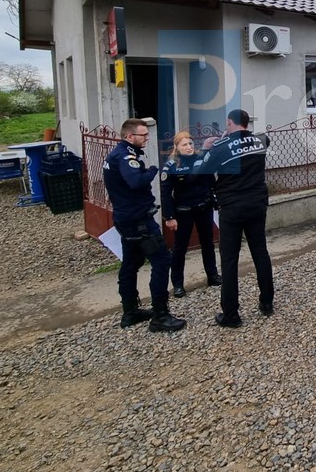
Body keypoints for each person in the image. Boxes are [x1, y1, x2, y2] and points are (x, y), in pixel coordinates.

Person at [102, 118, 187, 333]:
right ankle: (160, 316)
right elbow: (135, 181)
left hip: (125, 218)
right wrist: (151, 171)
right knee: (162, 261)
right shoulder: (126, 156)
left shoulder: (116, 154)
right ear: (130, 136)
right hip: (138, 220)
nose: (147, 138)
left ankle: (130, 311)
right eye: (143, 135)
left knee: (131, 263)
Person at [199, 109, 272, 328]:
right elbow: (261, 139)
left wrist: (206, 148)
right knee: (260, 253)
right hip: (257, 204)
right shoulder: (260, 140)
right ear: (247, 123)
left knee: (229, 260)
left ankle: (231, 314)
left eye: (227, 124)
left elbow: (203, 170)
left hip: (232, 208)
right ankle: (267, 303)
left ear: (229, 122)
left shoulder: (220, 147)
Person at [160, 130, 220, 297]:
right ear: (177, 147)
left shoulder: (201, 159)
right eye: (184, 144)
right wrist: (169, 217)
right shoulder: (172, 165)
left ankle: (213, 276)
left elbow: (211, 182)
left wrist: (215, 199)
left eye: (191, 143)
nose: (189, 147)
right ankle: (178, 284)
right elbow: (165, 193)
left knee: (208, 243)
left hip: (203, 207)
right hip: (183, 211)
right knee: (180, 248)